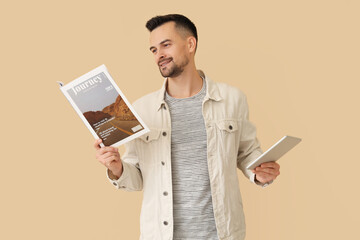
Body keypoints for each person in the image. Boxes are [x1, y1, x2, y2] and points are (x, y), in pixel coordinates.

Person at [94, 14, 280, 240]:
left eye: (166, 45)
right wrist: (116, 168)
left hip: (222, 234)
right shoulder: (141, 109)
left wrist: (260, 173)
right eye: (153, 50)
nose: (159, 55)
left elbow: (248, 153)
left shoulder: (232, 99)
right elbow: (137, 178)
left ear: (190, 44)